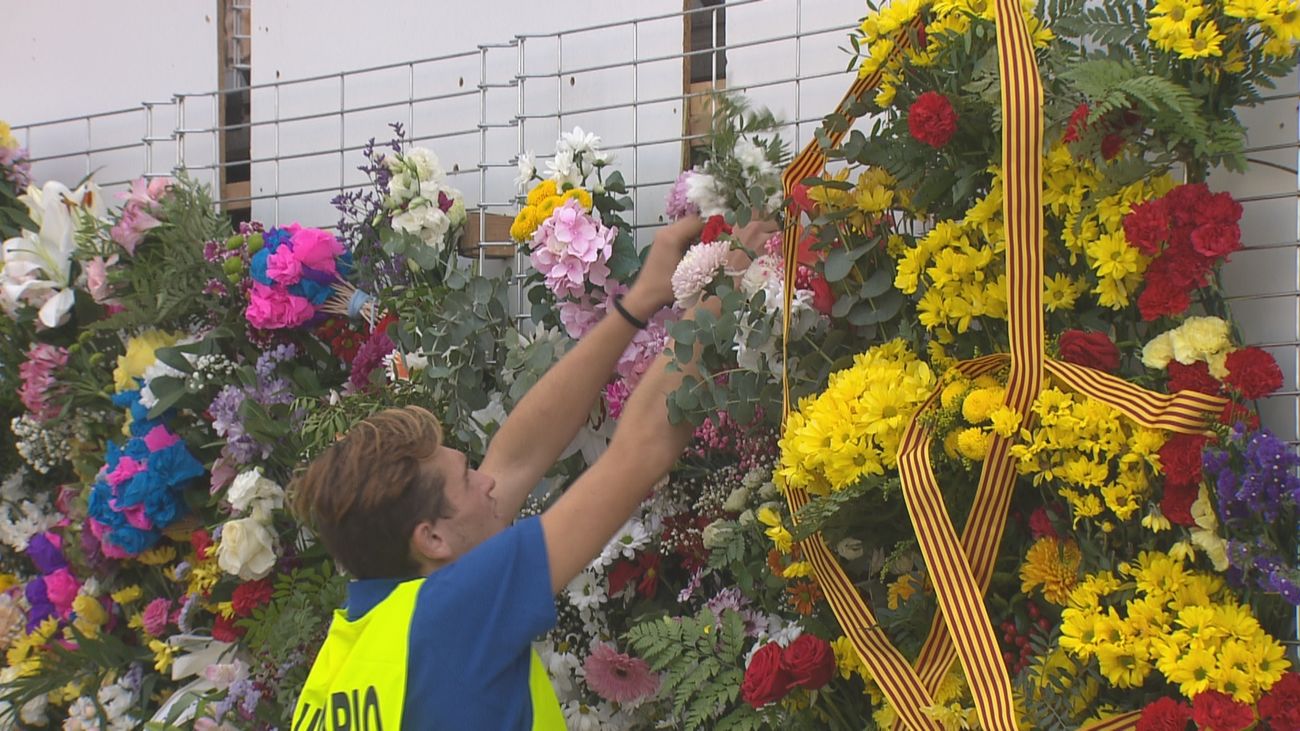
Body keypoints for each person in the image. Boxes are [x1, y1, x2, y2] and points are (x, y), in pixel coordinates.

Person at [288, 213, 777, 730]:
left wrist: (641, 300)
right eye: (467, 480)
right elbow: (641, 451)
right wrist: (723, 288)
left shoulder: (355, 652)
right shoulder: (451, 616)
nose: (488, 480)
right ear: (431, 537)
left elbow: (518, 454)